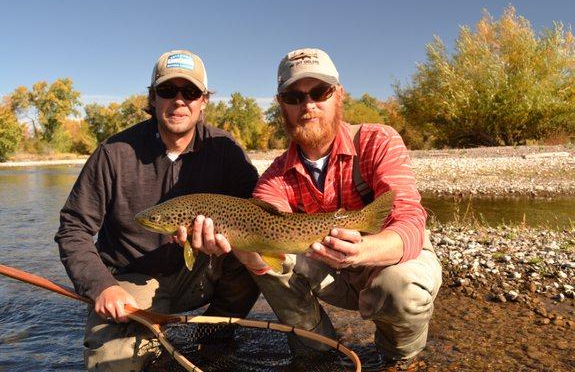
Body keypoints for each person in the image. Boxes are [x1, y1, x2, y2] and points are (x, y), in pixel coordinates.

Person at [233, 47, 441, 368]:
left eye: (320, 92)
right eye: (294, 96)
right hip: (326, 271)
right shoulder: (274, 178)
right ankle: (319, 351)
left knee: (404, 289)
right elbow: (263, 243)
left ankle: (398, 358)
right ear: (282, 105)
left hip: (383, 262)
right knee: (263, 253)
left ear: (339, 95)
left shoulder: (377, 141)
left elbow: (410, 223)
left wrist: (361, 251)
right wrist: (243, 249)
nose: (308, 105)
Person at [54, 49, 260, 371]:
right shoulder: (114, 153)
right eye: (168, 91)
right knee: (114, 365)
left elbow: (263, 212)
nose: (179, 101)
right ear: (153, 98)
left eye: (190, 92)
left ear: (203, 101)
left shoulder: (225, 150)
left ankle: (213, 335)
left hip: (202, 273)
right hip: (133, 281)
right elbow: (73, 229)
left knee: (258, 260)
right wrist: (101, 286)